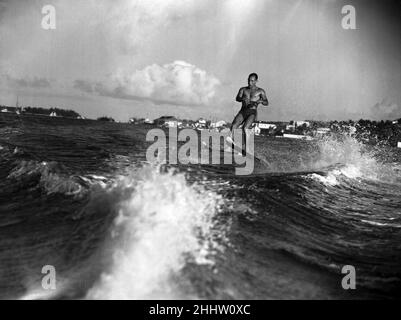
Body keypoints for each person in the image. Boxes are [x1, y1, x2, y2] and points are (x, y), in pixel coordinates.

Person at [228, 73, 269, 154]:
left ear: (256, 81)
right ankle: (230, 146)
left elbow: (266, 102)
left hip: (252, 112)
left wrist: (261, 101)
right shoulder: (243, 89)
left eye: (252, 81)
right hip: (243, 111)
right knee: (233, 126)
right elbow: (237, 98)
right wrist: (242, 98)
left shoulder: (260, 91)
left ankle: (246, 150)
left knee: (245, 128)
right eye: (249, 80)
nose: (250, 82)